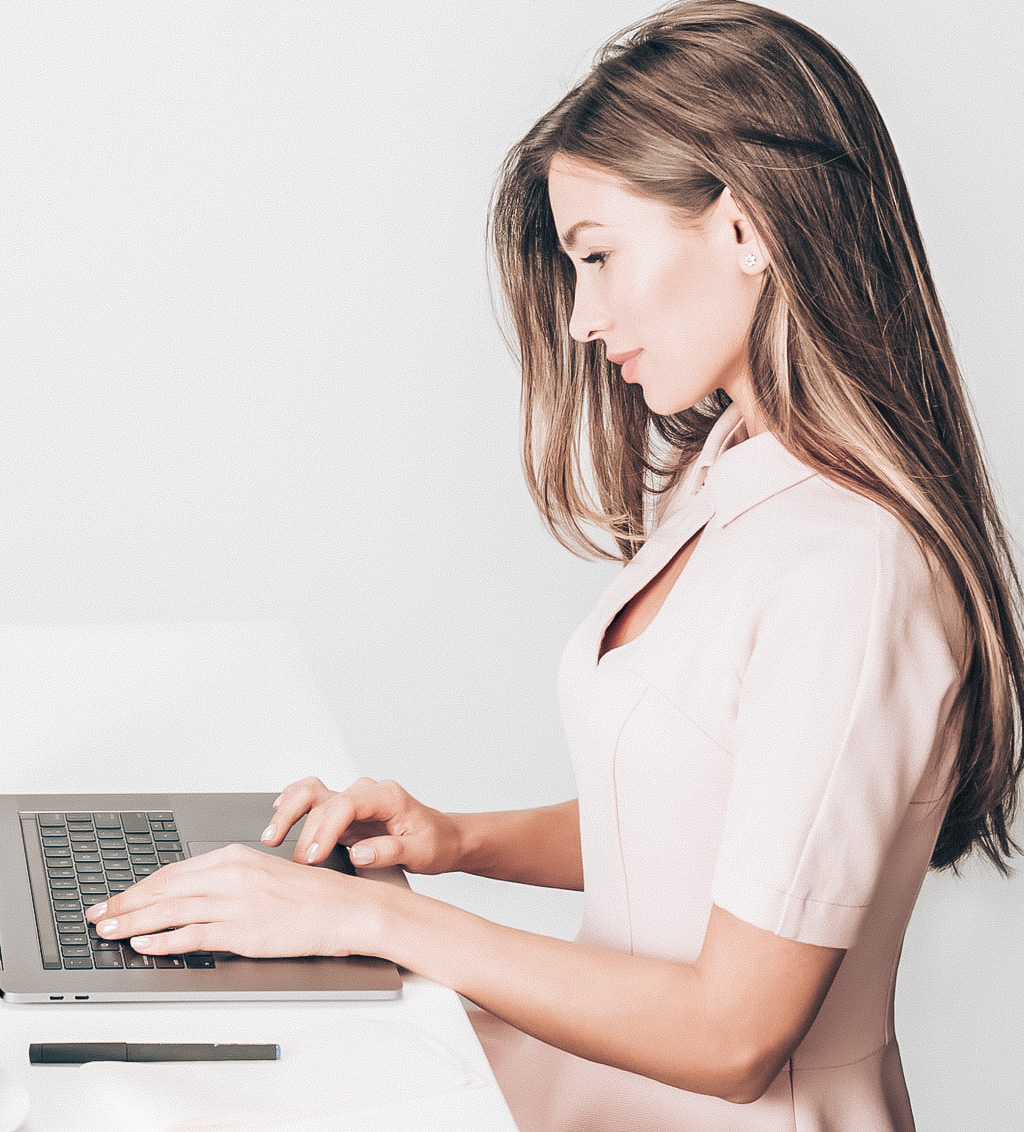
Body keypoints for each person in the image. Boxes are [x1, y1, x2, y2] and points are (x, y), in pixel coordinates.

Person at [83, 2, 1024, 1128]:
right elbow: (701, 812)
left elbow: (733, 1034)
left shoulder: (855, 573)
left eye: (598, 256)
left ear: (745, 228)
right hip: (597, 1086)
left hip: (724, 1110)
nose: (581, 316)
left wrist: (376, 921)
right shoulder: (728, 475)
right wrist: (452, 839)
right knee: (130, 1068)